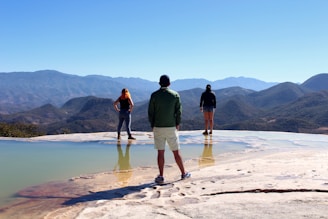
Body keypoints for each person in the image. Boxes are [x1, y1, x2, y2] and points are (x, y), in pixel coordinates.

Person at [148, 75, 191, 184]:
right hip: (171, 126)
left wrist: (152, 124)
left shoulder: (154, 95)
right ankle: (183, 173)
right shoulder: (175, 95)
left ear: (159, 83)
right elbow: (179, 111)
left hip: (158, 126)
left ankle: (161, 176)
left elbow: (151, 112)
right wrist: (177, 123)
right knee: (176, 152)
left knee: (160, 152)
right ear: (169, 83)